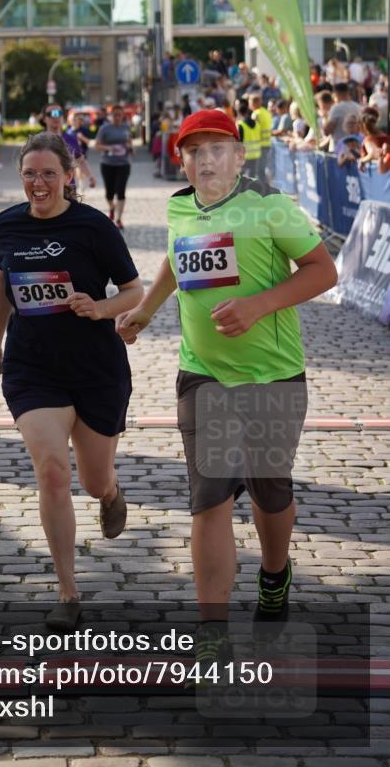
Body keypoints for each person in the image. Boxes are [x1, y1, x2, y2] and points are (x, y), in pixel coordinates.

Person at [117, 109, 337, 658]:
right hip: (203, 375)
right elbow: (175, 260)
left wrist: (260, 306)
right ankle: (212, 633)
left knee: (270, 489)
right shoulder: (178, 207)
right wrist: (146, 310)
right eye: (194, 150)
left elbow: (322, 270)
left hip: (273, 376)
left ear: (240, 156)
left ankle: (274, 571)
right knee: (209, 497)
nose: (206, 158)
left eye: (218, 148)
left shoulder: (268, 206)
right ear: (182, 160)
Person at [0, 132, 143, 630]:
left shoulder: (93, 227)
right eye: (30, 173)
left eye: (48, 173)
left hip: (96, 369)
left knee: (93, 480)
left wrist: (99, 309)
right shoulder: (5, 226)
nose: (38, 182)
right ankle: (68, 591)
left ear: (68, 176)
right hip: (34, 369)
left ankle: (112, 491)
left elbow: (134, 291)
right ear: (20, 176)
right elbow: (2, 283)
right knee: (52, 470)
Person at [95, 105, 134, 228]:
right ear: (111, 115)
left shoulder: (126, 128)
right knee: (109, 192)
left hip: (123, 163)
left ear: (123, 115)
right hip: (107, 163)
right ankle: (111, 207)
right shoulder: (104, 129)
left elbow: (129, 142)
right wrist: (109, 148)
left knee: (121, 191)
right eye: (115, 114)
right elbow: (97, 146)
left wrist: (129, 147)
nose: (117, 117)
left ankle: (118, 219)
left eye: (119, 114)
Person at [41, 104, 96, 191]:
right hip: (46, 188)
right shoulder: (37, 141)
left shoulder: (71, 138)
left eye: (59, 113)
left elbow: (80, 160)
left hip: (68, 188)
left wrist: (90, 176)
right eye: (52, 114)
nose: (56, 117)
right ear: (44, 119)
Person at [250, 93, 272, 181]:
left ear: (254, 103)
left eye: (250, 102)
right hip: (267, 144)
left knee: (259, 171)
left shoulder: (256, 114)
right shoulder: (266, 112)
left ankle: (265, 192)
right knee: (262, 169)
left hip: (260, 145)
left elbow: (254, 130)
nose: (249, 105)